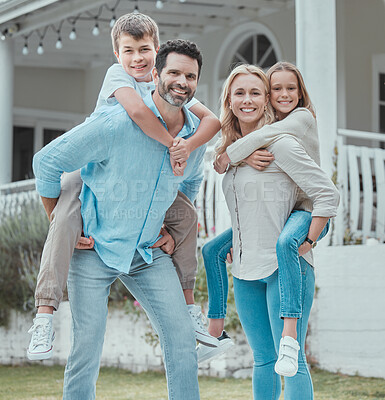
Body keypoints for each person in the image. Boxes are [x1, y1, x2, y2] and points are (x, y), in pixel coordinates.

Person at [27, 13, 220, 361]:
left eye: (145, 49)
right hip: (89, 173)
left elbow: (213, 120)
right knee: (64, 218)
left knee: (187, 215)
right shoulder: (119, 77)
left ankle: (190, 311)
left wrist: (187, 147)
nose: (137, 58)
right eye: (128, 51)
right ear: (117, 55)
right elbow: (137, 113)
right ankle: (44, 313)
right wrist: (171, 145)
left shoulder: (167, 79)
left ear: (156, 50)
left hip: (145, 185)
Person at [206, 63, 339, 399]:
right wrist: (238, 156)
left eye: (255, 93)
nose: (247, 100)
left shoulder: (281, 144)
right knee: (263, 360)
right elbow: (223, 167)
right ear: (230, 100)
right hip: (245, 270)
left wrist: (309, 238)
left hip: (285, 266)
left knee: (291, 360)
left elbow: (325, 193)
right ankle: (212, 329)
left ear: (266, 100)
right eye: (240, 93)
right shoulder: (235, 153)